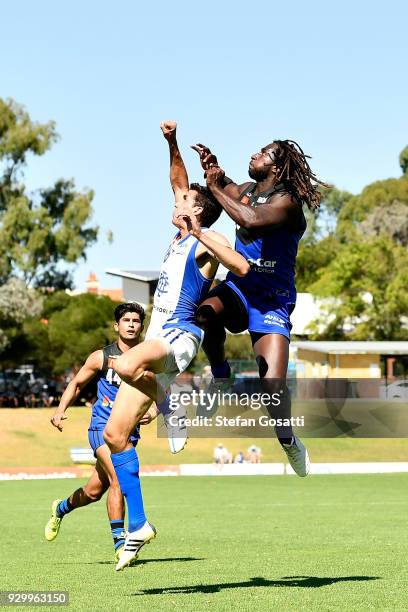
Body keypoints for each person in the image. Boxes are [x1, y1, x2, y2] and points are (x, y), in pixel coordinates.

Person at [103, 120, 250, 571]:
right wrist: (170, 142)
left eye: (183, 199)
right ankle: (140, 524)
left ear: (199, 210)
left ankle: (172, 410)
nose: (175, 197)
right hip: (155, 340)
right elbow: (177, 179)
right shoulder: (177, 234)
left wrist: (202, 231)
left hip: (180, 337)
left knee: (124, 364)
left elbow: (240, 267)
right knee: (113, 436)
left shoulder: (205, 241)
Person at [192, 139, 329, 477]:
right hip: (241, 288)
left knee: (273, 387)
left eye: (264, 152)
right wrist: (215, 172)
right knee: (204, 314)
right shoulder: (246, 190)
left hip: (272, 298)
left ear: (278, 165)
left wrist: (216, 186)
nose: (254, 154)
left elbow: (250, 220)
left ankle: (287, 440)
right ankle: (221, 376)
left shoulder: (287, 202)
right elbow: (227, 188)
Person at [44, 302, 159, 563]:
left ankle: (60, 508)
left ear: (141, 327)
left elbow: (162, 393)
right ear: (116, 326)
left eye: (136, 321)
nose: (131, 324)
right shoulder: (102, 357)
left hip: (129, 433)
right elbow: (76, 383)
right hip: (100, 429)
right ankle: (121, 544)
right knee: (118, 480)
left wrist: (154, 412)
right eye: (126, 320)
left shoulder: (147, 360)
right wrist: (60, 409)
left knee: (94, 492)